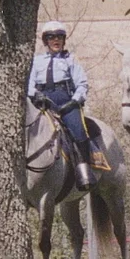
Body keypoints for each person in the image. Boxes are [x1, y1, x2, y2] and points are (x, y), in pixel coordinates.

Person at [27, 20, 96, 189]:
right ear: (46, 40)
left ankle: (84, 171)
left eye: (59, 37)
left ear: (64, 40)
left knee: (78, 131)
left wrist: (75, 101)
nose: (56, 40)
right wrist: (35, 94)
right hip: (42, 102)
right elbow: (28, 83)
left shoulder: (70, 60)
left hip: (66, 102)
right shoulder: (36, 61)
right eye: (51, 37)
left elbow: (82, 84)